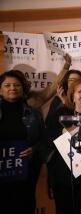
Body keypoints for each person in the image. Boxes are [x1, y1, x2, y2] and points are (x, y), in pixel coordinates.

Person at [45, 78, 81, 214]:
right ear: (72, 97)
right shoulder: (60, 116)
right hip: (64, 181)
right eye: (80, 92)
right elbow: (49, 141)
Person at [0, 70, 45, 214]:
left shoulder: (34, 113)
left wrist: (34, 149)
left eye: (17, 85)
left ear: (23, 89)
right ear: (0, 90)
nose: (12, 88)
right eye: (7, 85)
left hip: (25, 174)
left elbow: (43, 140)